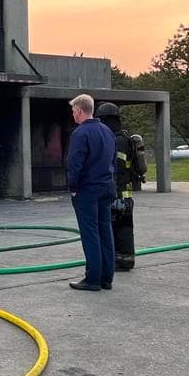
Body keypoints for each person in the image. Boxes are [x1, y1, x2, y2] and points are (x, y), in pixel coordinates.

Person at [66, 94, 115, 290]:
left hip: (87, 190)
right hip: (106, 186)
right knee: (105, 231)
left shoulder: (80, 133)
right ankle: (106, 277)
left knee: (90, 233)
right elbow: (112, 161)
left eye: (73, 111)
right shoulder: (107, 131)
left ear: (79, 110)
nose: (72, 114)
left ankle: (93, 278)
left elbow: (74, 163)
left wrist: (73, 188)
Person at [95, 102, 147, 271]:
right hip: (125, 194)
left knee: (118, 229)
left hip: (118, 194)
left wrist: (113, 194)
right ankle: (124, 259)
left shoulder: (117, 140)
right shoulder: (123, 137)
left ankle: (122, 261)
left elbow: (117, 168)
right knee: (123, 228)